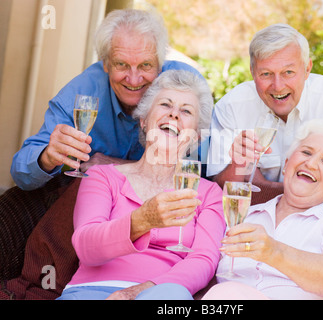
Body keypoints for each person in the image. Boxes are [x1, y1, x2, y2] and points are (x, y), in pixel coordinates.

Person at [57, 70, 225, 300]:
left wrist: (139, 291)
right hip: (90, 291)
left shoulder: (209, 194)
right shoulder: (102, 177)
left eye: (186, 111)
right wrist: (142, 220)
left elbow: (203, 261)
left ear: (195, 136)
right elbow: (86, 248)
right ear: (144, 121)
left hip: (161, 295)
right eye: (165, 105)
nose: (174, 114)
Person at [11, 9, 203, 191]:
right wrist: (47, 157)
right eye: (122, 64)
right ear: (105, 64)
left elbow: (205, 170)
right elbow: (21, 173)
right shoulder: (82, 93)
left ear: (160, 65)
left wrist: (116, 166)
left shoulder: (186, 87)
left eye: (145, 65)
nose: (134, 79)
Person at [203, 119, 323, 300]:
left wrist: (273, 251)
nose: (311, 164)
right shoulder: (244, 214)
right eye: (306, 152)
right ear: (287, 164)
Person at [206, 23, 323, 202]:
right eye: (266, 74)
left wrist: (261, 183)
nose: (278, 86)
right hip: (251, 214)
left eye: (288, 72)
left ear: (307, 69)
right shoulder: (231, 106)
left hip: (317, 218)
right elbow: (219, 187)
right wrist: (238, 165)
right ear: (252, 72)